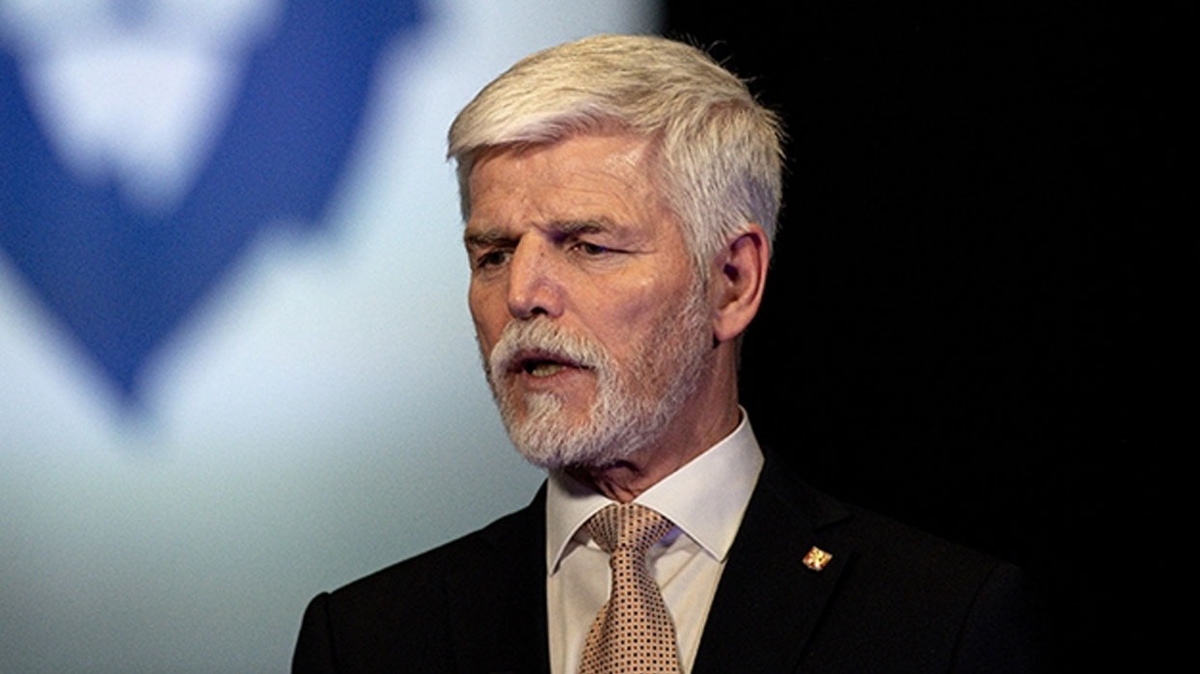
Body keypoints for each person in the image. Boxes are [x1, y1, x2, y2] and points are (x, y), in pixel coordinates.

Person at [292, 34, 1049, 673]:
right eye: (493, 254)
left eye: (586, 246)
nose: (522, 294)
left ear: (733, 281)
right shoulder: (367, 640)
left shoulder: (939, 620)